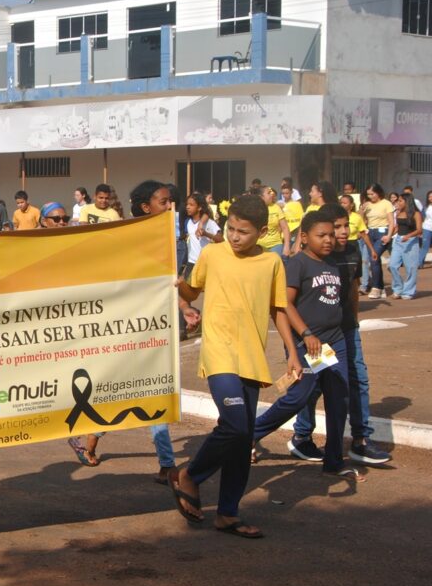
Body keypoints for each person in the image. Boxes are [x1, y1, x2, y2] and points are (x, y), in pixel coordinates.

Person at [171, 194, 299, 538]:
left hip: (252, 358)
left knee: (242, 440)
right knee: (236, 426)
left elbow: (278, 309)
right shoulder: (212, 254)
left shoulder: (272, 262)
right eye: (231, 229)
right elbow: (192, 291)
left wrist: (292, 351)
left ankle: (228, 513)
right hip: (219, 352)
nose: (234, 236)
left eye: (243, 232)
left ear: (262, 232)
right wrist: (179, 286)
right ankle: (190, 475)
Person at [67, 181, 196, 482]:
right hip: (126, 327)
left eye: (171, 201)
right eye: (163, 202)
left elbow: (165, 281)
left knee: (151, 391)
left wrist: (183, 306)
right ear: (146, 207)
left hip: (154, 328)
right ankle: (157, 461)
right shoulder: (128, 238)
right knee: (135, 390)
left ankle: (162, 463)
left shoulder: (165, 239)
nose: (170, 207)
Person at [253, 210, 357, 480]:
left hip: (332, 343)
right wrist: (306, 333)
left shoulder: (333, 264)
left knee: (338, 398)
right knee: (298, 397)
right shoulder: (298, 264)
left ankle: (333, 461)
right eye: (321, 235)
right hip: (306, 343)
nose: (329, 240)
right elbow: (285, 304)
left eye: (331, 235)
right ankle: (249, 435)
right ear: (305, 236)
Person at [289, 204, 391, 465]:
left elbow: (353, 290)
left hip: (346, 331)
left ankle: (360, 440)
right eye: (336, 228)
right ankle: (302, 436)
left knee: (358, 380)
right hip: (319, 335)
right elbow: (288, 303)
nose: (342, 233)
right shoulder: (314, 258)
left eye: (345, 226)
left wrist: (353, 324)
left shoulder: (352, 252)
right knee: (314, 386)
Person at [362, 183, 395, 299]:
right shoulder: (367, 204)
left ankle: (376, 287)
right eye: (368, 194)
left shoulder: (386, 203)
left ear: (378, 192)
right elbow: (362, 221)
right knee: (374, 261)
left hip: (382, 232)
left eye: (372, 194)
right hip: (370, 233)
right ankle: (380, 287)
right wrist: (362, 210)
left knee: (374, 257)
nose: (370, 196)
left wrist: (389, 235)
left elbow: (391, 222)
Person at [388, 192, 422, 300]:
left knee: (411, 268)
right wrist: (389, 236)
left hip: (411, 242)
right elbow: (397, 227)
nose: (398, 202)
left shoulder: (416, 213)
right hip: (398, 241)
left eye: (400, 200)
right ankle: (398, 288)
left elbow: (419, 230)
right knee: (392, 265)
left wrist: (408, 236)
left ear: (407, 201)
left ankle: (408, 291)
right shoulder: (399, 212)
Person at [184, 192, 223, 279]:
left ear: (199, 207)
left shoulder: (209, 223)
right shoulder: (188, 222)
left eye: (191, 205)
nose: (187, 207)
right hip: (191, 262)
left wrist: (206, 234)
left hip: (205, 262)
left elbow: (221, 239)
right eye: (187, 204)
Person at [258, 186, 290, 255]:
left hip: (276, 245)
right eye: (269, 193)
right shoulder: (255, 209)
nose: (272, 194)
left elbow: (285, 228)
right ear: (261, 197)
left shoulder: (276, 207)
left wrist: (286, 246)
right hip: (258, 246)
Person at [420, 189, 432, 269]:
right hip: (427, 228)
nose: (431, 198)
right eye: (429, 196)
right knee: (425, 246)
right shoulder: (426, 207)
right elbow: (422, 218)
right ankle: (419, 263)